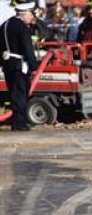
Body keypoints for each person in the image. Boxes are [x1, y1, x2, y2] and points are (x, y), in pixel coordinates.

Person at [1, 1, 40, 131]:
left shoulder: (5, 25)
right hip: (19, 64)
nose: (32, 17)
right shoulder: (22, 27)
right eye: (31, 14)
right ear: (24, 13)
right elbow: (27, 48)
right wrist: (34, 65)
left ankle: (17, 121)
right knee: (20, 94)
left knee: (13, 93)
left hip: (7, 64)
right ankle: (19, 123)